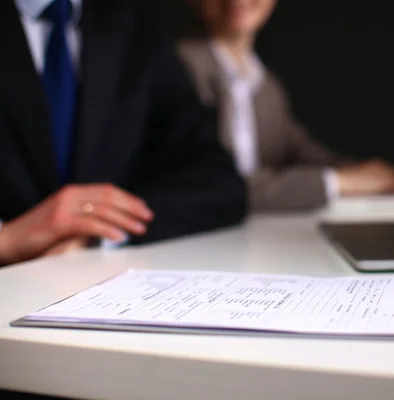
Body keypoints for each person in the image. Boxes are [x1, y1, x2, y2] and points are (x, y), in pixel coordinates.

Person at [0, 0, 246, 266]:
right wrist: (8, 240)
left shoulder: (136, 23)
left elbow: (216, 177)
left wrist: (103, 229)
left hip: (96, 277)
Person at [178, 0, 394, 212]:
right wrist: (338, 182)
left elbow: (302, 150)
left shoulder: (265, 85)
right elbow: (220, 187)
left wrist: (367, 172)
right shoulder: (178, 69)